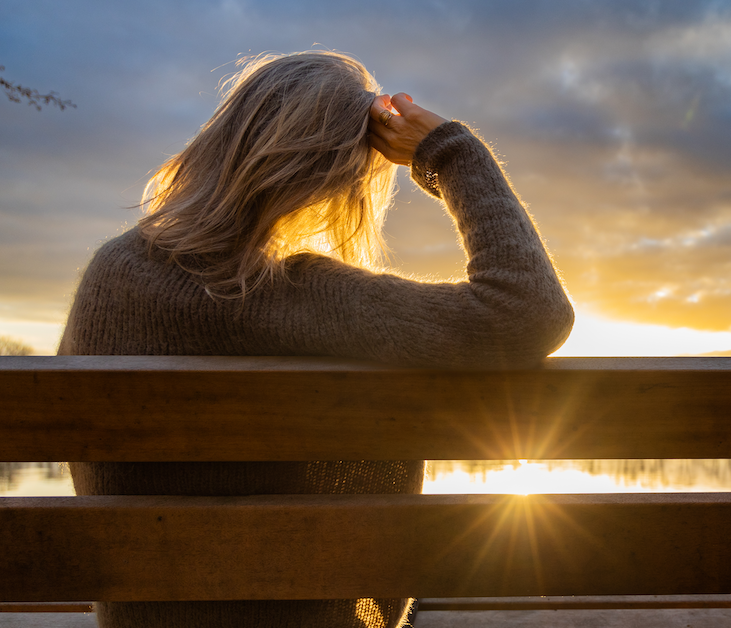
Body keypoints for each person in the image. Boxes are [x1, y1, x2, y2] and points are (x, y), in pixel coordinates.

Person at [58, 51, 574, 628]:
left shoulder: (112, 270)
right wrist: (451, 151)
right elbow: (527, 311)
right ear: (339, 175)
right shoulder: (282, 294)